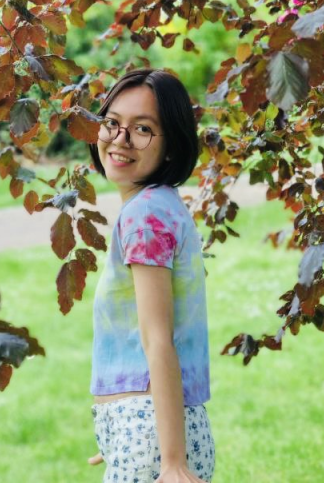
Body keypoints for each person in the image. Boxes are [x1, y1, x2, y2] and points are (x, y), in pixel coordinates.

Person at [85, 66, 216, 483]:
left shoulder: (145, 215)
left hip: (150, 435)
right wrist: (118, 433)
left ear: (172, 147)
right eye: (112, 123)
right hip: (145, 430)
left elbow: (158, 339)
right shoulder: (161, 205)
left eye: (142, 129)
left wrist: (168, 459)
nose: (120, 139)